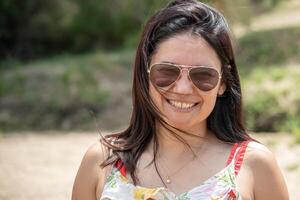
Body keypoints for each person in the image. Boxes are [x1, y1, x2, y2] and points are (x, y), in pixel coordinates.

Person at [72, 0, 289, 199]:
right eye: (166, 72)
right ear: (144, 74)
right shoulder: (101, 162)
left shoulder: (255, 165)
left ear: (223, 82)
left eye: (203, 75)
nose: (184, 88)